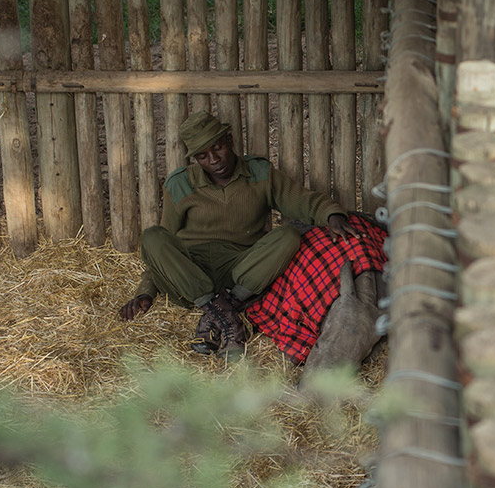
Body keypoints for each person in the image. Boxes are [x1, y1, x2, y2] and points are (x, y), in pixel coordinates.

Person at [119, 111, 360, 357]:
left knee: (288, 235)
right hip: (190, 276)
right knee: (152, 236)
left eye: (218, 148)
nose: (214, 160)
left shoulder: (259, 173)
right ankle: (225, 313)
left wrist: (332, 214)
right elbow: (161, 252)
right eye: (203, 156)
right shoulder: (179, 184)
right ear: (195, 160)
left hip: (241, 271)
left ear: (230, 140)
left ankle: (221, 309)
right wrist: (145, 292)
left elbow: (302, 201)